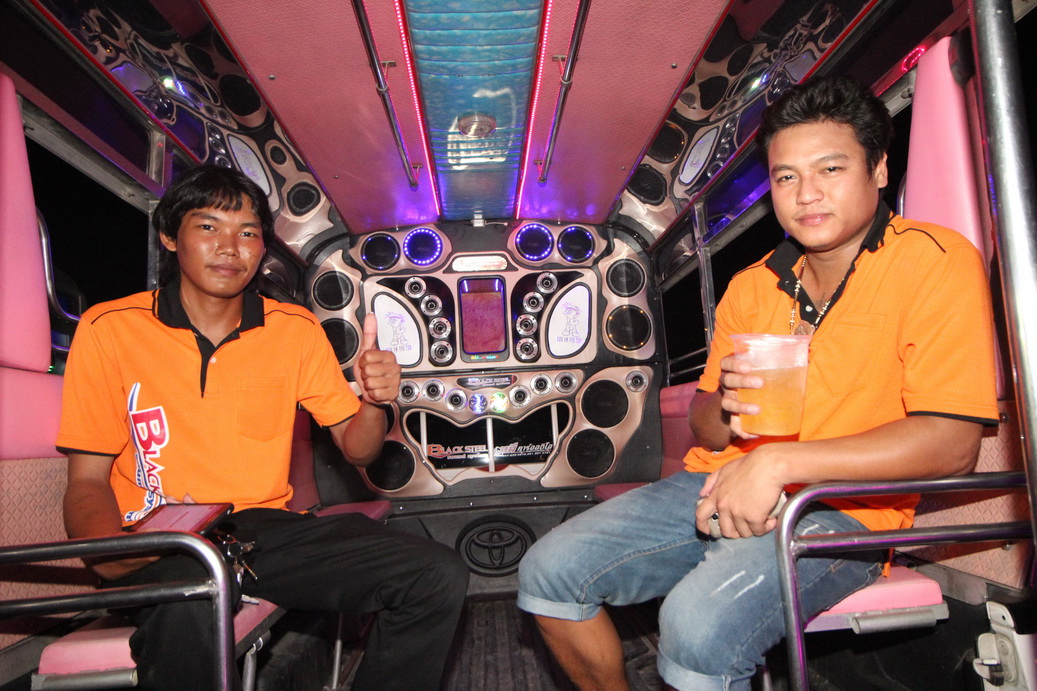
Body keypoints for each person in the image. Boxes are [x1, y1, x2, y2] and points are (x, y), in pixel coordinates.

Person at [517, 75, 999, 690]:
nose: (806, 193)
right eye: (785, 177)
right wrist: (728, 400)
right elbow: (706, 428)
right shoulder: (752, 285)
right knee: (548, 571)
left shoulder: (934, 261)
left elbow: (952, 443)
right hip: (718, 481)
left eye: (830, 169)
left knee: (695, 628)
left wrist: (776, 464)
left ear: (879, 170)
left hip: (844, 509)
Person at [57, 165, 469, 690]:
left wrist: (373, 403)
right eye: (209, 227)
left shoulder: (294, 330)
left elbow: (359, 450)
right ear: (169, 236)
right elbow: (87, 480)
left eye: (248, 232)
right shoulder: (110, 328)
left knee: (435, 574)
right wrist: (110, 554)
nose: (230, 247)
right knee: (193, 596)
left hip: (259, 531)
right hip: (161, 535)